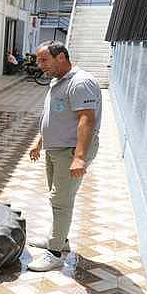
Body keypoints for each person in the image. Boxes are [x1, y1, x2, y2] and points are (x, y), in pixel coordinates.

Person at [27, 40, 102, 272]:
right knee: (57, 198)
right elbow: (54, 116)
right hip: (55, 149)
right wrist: (41, 142)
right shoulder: (58, 80)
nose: (40, 65)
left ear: (61, 57)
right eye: (38, 60)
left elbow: (86, 119)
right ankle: (60, 238)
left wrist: (79, 157)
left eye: (44, 60)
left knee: (61, 201)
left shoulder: (80, 82)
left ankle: (55, 252)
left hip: (70, 152)